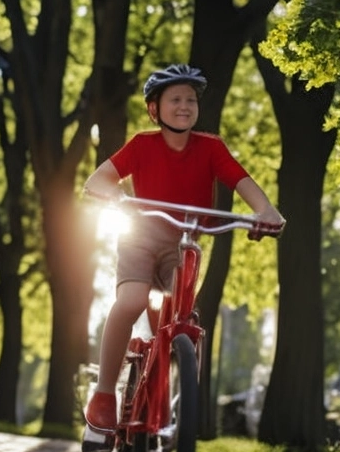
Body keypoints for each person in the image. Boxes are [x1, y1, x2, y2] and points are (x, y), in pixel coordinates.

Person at [82, 64, 284, 439]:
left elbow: (242, 181)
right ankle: (105, 393)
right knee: (132, 300)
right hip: (140, 236)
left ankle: (170, 387)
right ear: (154, 109)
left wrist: (265, 212)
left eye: (191, 99)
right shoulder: (143, 145)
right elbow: (99, 180)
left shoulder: (211, 148)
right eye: (175, 99)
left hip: (184, 242)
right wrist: (113, 194)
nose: (185, 105)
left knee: (179, 316)